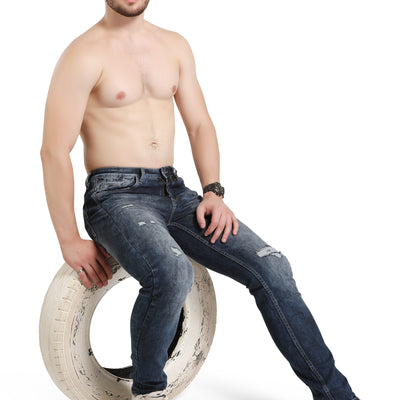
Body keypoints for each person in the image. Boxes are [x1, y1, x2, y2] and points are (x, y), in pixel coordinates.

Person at [40, 1, 360, 399]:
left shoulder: (174, 46)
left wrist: (213, 191)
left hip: (175, 191)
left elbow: (199, 124)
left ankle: (336, 395)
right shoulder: (82, 54)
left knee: (273, 267)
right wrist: (69, 238)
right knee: (172, 272)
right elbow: (54, 151)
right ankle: (149, 392)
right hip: (115, 195)